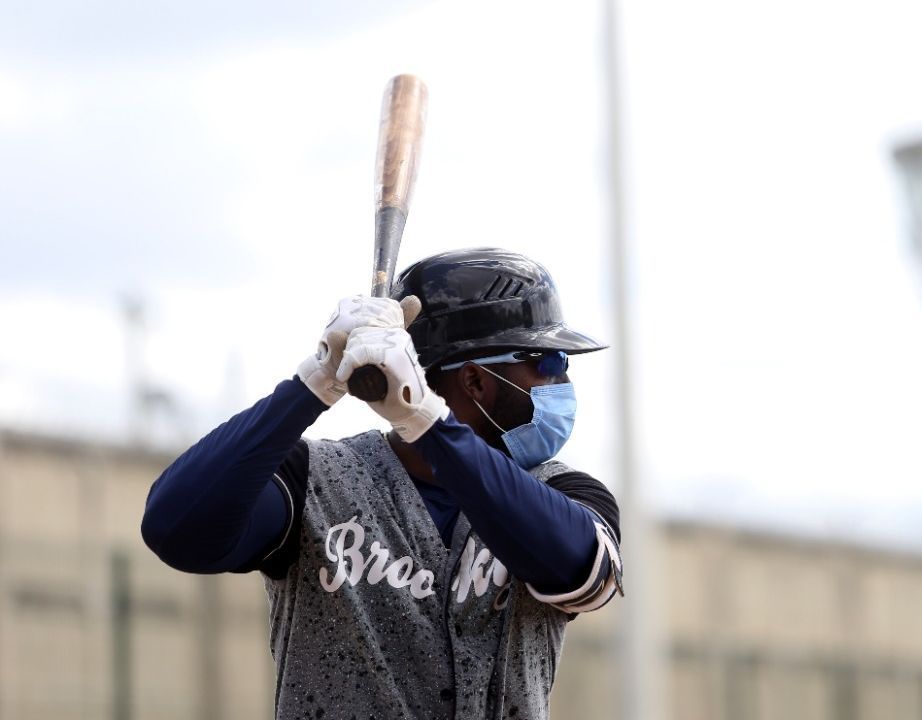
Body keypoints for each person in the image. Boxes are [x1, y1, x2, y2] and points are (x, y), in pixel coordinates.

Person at [141, 248, 623, 719]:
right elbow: (176, 529)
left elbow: (579, 569)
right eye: (550, 362)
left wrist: (425, 418)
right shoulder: (313, 478)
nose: (562, 380)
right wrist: (314, 382)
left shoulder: (567, 494)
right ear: (475, 381)